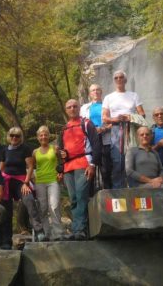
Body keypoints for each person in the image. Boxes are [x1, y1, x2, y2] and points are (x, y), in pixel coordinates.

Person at [58, 99, 101, 240]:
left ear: (79, 108)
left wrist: (93, 164)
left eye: (75, 106)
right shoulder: (64, 129)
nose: (72, 109)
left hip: (84, 163)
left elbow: (96, 144)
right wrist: (61, 155)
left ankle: (80, 230)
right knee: (74, 198)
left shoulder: (86, 123)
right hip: (68, 166)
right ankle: (77, 229)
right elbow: (61, 150)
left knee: (82, 196)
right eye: (69, 107)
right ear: (66, 110)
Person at [0, 127, 45, 247]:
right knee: (6, 210)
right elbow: (1, 168)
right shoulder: (4, 150)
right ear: (9, 136)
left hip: (21, 180)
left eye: (17, 136)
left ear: (21, 137)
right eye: (12, 135)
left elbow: (30, 166)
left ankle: (39, 230)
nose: (14, 138)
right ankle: (6, 240)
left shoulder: (25, 149)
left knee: (29, 199)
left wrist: (26, 183)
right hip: (7, 181)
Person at [102, 70, 147, 188]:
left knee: (133, 158)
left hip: (131, 129)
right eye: (116, 78)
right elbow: (105, 118)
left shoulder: (134, 95)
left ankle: (135, 187)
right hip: (116, 130)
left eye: (121, 77)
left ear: (125, 80)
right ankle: (118, 189)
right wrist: (116, 119)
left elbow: (142, 114)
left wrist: (130, 117)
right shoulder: (108, 97)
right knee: (118, 160)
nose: (118, 79)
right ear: (114, 80)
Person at [32, 126, 63, 240]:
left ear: (48, 136)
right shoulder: (35, 152)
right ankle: (46, 233)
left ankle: (58, 233)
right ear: (38, 137)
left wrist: (61, 173)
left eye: (45, 134)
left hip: (53, 180)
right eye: (41, 135)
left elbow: (62, 161)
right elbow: (31, 167)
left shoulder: (54, 148)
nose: (43, 137)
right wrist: (31, 178)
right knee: (43, 208)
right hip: (39, 181)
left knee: (54, 206)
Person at [80, 84, 113, 189]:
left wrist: (104, 128)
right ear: (90, 94)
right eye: (93, 90)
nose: (95, 92)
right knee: (91, 169)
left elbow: (114, 122)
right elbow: (81, 124)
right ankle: (91, 198)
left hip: (105, 139)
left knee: (106, 170)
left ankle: (109, 194)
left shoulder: (108, 105)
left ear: (101, 91)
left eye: (97, 89)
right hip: (91, 142)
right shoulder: (85, 107)